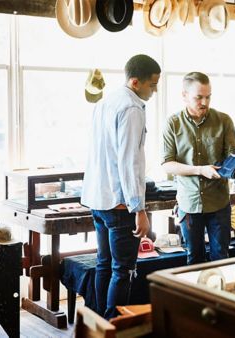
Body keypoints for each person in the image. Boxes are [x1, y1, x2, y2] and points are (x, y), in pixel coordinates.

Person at [81, 54, 160, 319]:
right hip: (119, 203)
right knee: (123, 270)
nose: (155, 90)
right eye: (152, 84)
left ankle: (95, 325)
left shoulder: (105, 102)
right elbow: (129, 162)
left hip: (96, 198)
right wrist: (139, 209)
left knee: (104, 265)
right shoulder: (132, 108)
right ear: (136, 82)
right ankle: (113, 327)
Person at [161, 72, 235, 264]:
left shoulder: (224, 121)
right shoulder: (172, 124)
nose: (205, 102)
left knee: (222, 259)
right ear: (184, 95)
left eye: (208, 96)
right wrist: (200, 170)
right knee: (193, 259)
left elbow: (233, 160)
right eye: (199, 97)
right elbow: (167, 164)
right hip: (189, 203)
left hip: (219, 203)